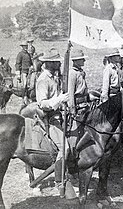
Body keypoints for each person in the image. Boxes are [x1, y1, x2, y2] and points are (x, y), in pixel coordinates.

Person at [36, 48, 69, 188]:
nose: (59, 64)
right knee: (65, 147)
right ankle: (59, 180)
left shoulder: (54, 77)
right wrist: (59, 99)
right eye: (56, 62)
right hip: (49, 118)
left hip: (58, 115)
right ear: (49, 63)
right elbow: (43, 103)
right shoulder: (43, 80)